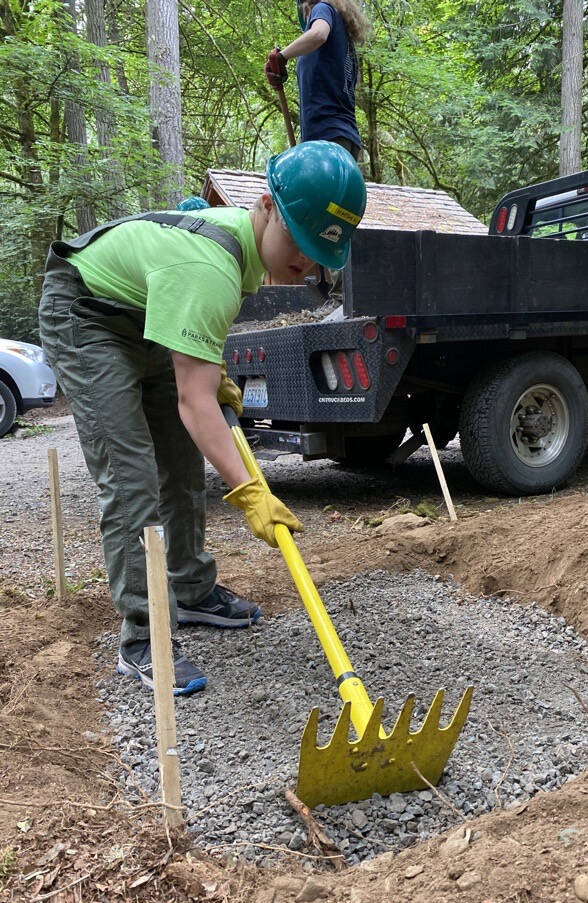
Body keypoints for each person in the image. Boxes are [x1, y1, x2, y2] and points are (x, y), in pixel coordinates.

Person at [38, 141, 367, 696]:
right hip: (87, 316)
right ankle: (143, 639)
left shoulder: (239, 250)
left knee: (182, 463)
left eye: (317, 253)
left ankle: (190, 589)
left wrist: (214, 372)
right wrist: (251, 492)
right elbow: (194, 403)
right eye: (298, 240)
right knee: (131, 474)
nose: (305, 261)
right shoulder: (212, 267)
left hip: (141, 320)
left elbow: (190, 343)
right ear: (265, 205)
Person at [264, 0, 370, 161]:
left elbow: (318, 34)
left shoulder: (323, 8)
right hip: (344, 140)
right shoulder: (345, 46)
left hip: (326, 139)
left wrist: (281, 56)